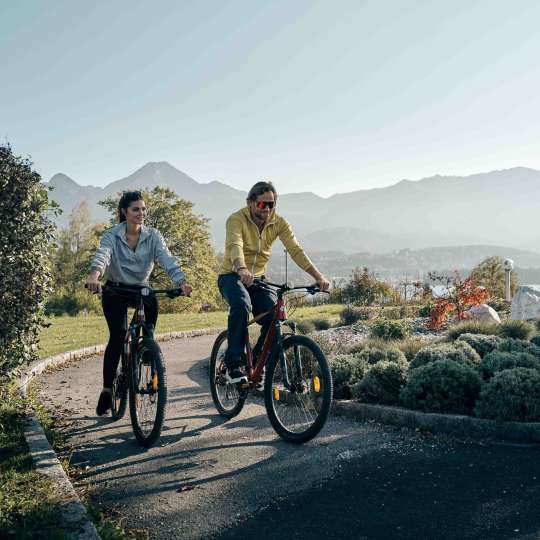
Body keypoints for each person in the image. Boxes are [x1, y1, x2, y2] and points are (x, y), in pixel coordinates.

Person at [86, 190, 192, 415]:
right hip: (115, 289)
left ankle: (144, 348)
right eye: (136, 209)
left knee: (149, 312)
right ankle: (107, 390)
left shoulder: (153, 235)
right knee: (117, 336)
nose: (141, 213)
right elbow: (103, 256)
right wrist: (95, 276)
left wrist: (181, 281)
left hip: (140, 289)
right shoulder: (112, 235)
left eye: (143, 209)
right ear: (124, 212)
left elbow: (166, 259)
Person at [218, 181, 330, 384]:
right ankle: (232, 364)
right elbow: (235, 245)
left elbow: (296, 250)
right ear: (250, 203)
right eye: (263, 204)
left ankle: (258, 365)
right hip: (231, 275)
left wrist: (318, 277)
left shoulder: (279, 223)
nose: (267, 209)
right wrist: (241, 269)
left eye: (272, 204)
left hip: (258, 279)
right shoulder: (236, 219)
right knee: (242, 305)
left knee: (276, 317)